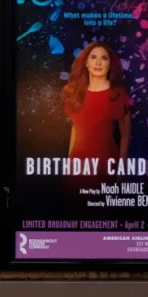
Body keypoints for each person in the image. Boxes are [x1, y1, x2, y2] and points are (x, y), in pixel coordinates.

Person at [61, 41, 132, 188]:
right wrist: (68, 164)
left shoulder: (119, 95)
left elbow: (125, 136)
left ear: (110, 64)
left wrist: (122, 172)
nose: (98, 62)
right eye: (93, 57)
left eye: (104, 58)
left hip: (105, 168)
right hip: (76, 169)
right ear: (86, 63)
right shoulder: (75, 93)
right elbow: (76, 128)